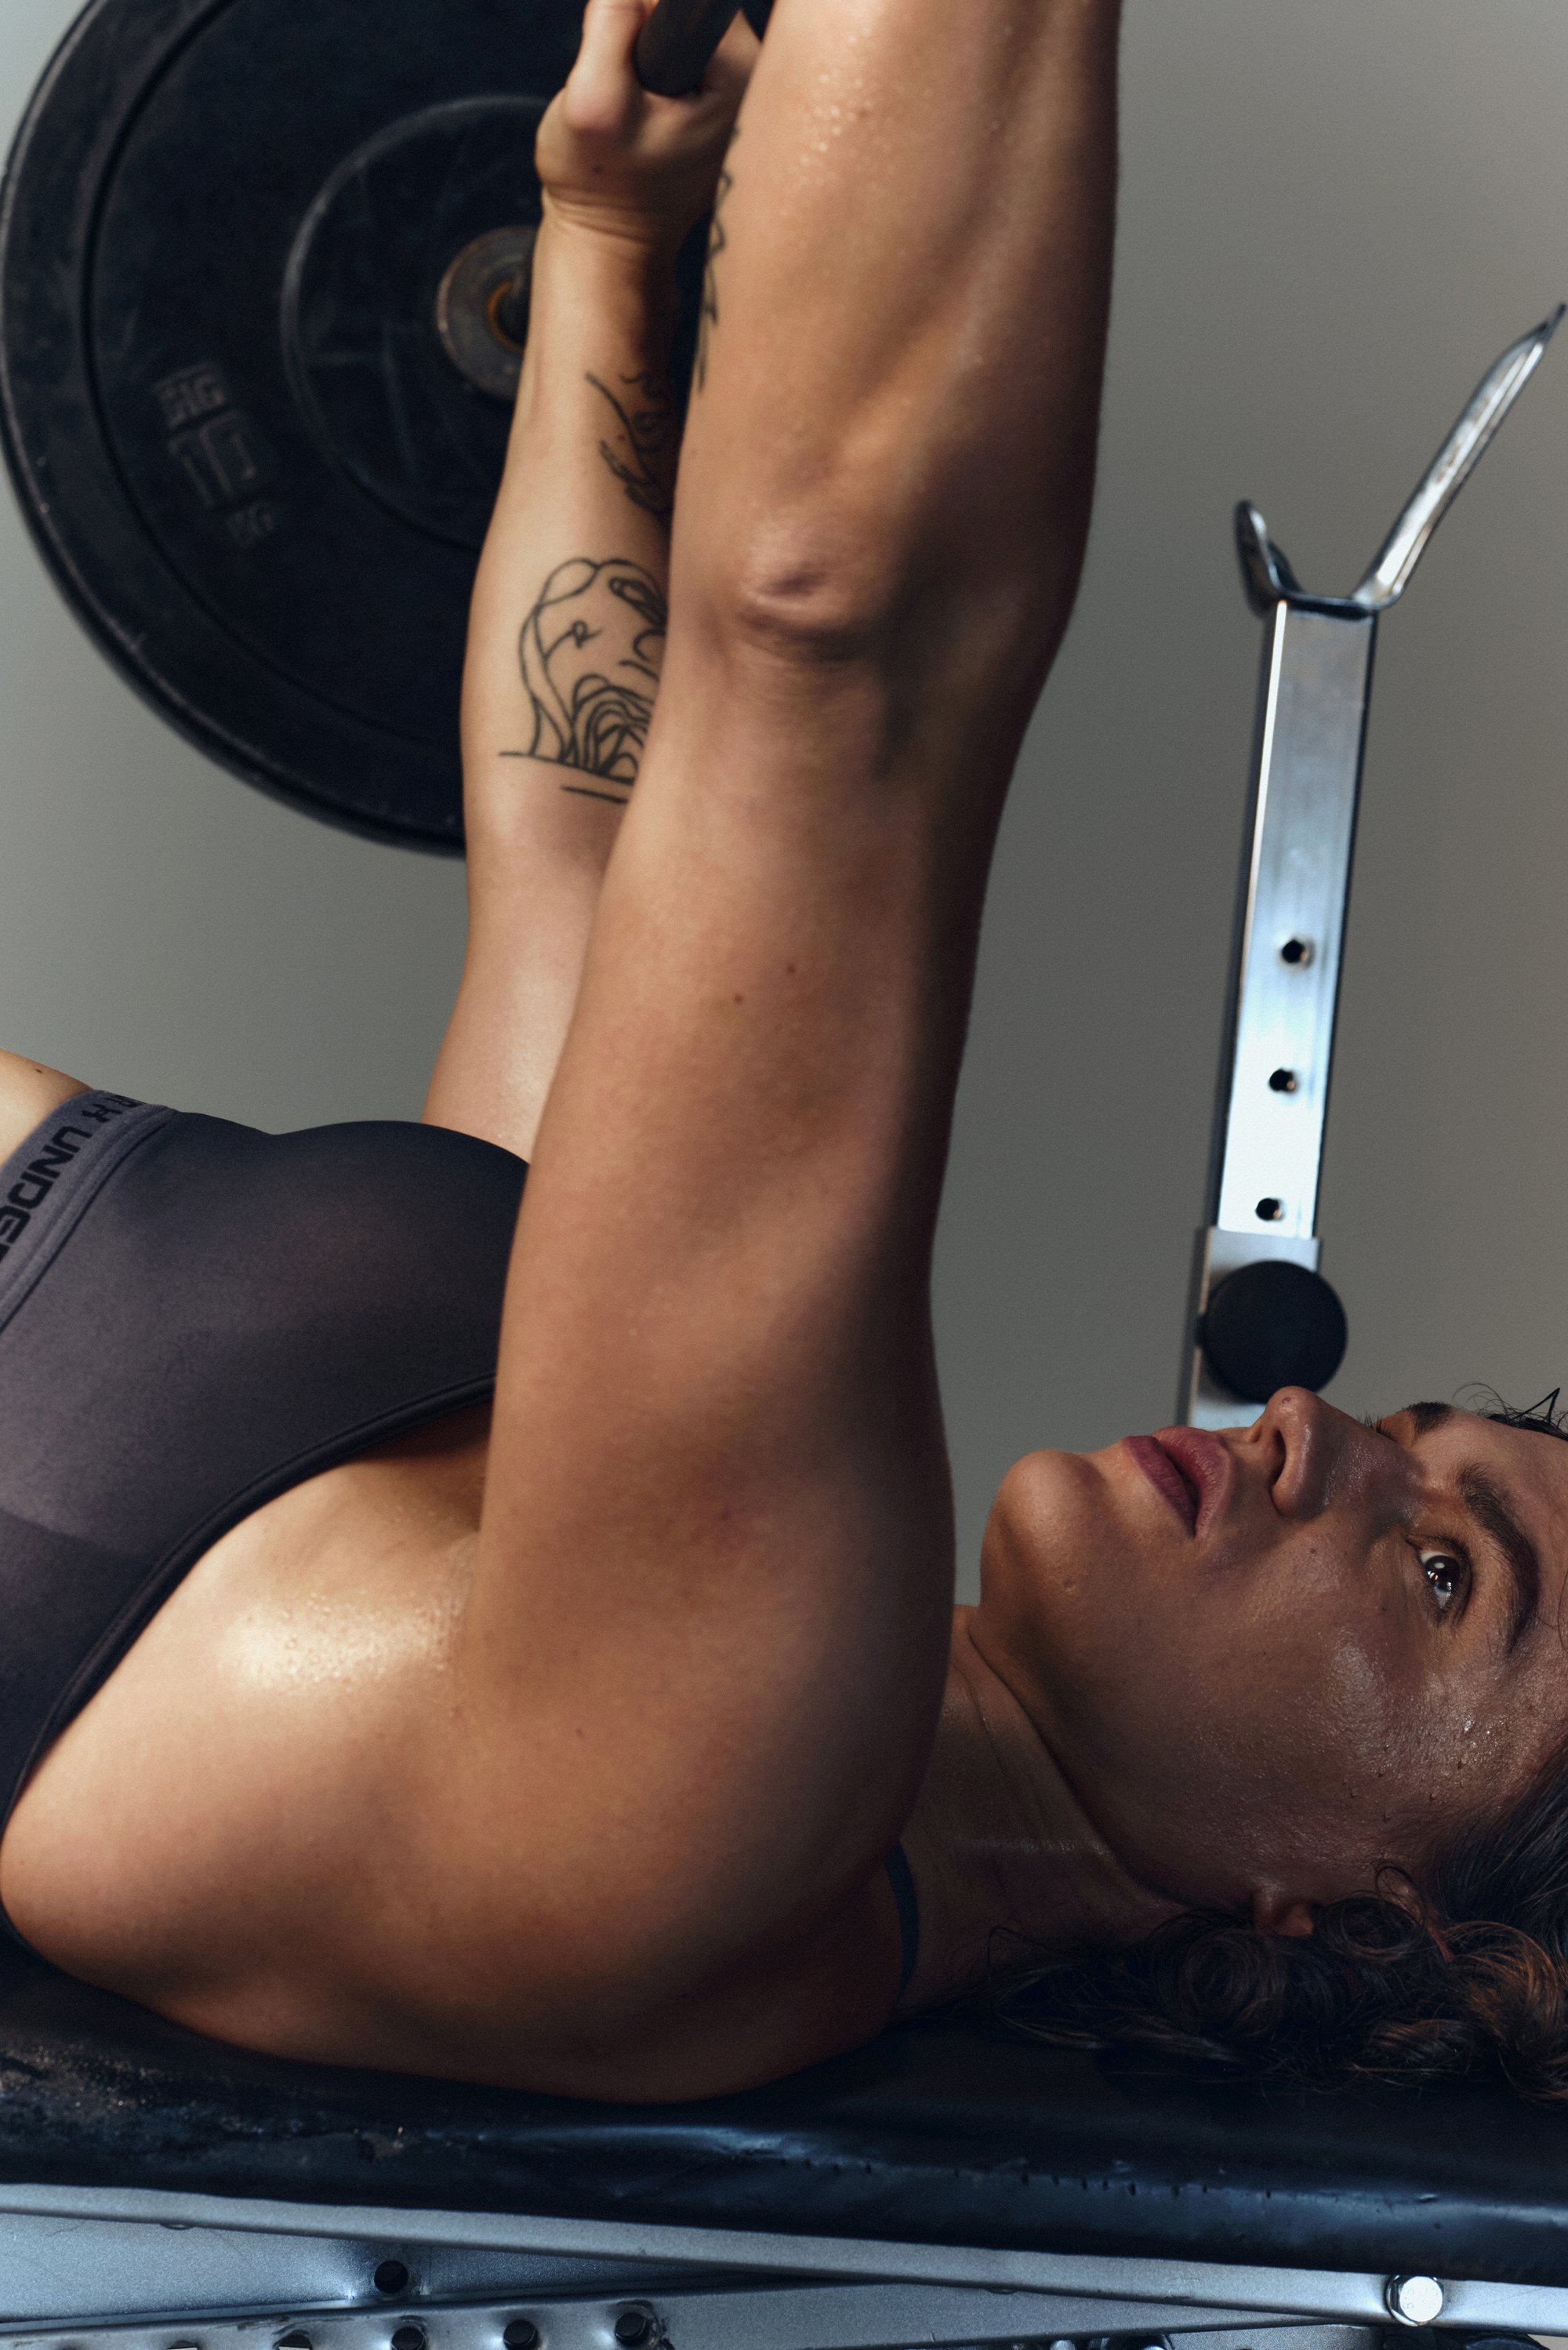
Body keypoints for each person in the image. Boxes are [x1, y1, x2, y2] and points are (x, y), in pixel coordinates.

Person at [1, 0, 1567, 2108]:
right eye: (1410, 1437)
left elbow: (834, 630)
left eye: (1446, 1573)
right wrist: (599, 246)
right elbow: (587, 836)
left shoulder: (721, 1792)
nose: (1312, 1431)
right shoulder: (686, 1638)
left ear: (1388, 1919)